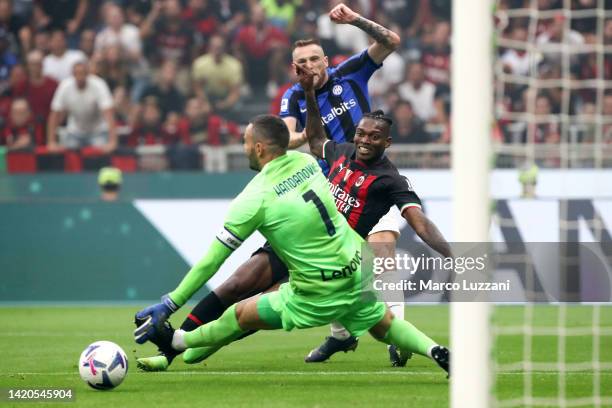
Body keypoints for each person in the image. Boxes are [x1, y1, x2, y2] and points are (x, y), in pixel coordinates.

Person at [134, 68, 451, 371]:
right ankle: (173, 351)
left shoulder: (389, 180)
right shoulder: (324, 157)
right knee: (236, 286)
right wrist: (310, 93)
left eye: (374, 136)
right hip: (333, 254)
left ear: (387, 142)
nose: (366, 140)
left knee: (249, 312)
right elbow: (315, 138)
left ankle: (177, 344)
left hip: (318, 260)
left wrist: (453, 255)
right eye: (361, 133)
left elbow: (419, 221)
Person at [47, 60, 117, 152]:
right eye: (77, 73)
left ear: (88, 74)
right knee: (69, 158)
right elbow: (55, 114)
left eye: (83, 73)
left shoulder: (99, 84)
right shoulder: (65, 86)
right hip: (74, 132)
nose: (80, 76)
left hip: (97, 132)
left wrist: (113, 141)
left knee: (100, 157)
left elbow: (109, 114)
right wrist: (51, 141)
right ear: (72, 74)